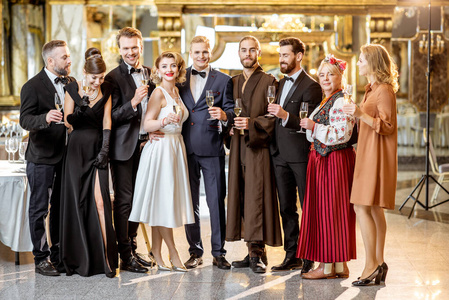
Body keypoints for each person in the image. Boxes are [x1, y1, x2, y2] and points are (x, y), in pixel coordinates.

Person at [129, 51, 194, 272]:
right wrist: (163, 120)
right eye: (164, 66)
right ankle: (173, 253)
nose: (169, 69)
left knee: (162, 203)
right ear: (157, 70)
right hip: (161, 150)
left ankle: (156, 251)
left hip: (176, 147)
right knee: (164, 202)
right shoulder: (158, 93)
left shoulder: (176, 91)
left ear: (178, 69)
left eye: (173, 65)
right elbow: (146, 125)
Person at [297, 54, 357, 279]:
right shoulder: (329, 99)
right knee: (333, 211)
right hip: (323, 160)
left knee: (329, 211)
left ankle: (327, 266)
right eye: (321, 75)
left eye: (330, 74)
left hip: (332, 161)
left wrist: (313, 126)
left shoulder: (342, 100)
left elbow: (342, 134)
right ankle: (340, 265)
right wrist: (313, 129)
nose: (324, 78)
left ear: (340, 76)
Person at [343, 44, 398, 286]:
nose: (358, 64)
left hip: (376, 155)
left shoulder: (384, 91)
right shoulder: (371, 89)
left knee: (362, 206)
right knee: (373, 208)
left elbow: (388, 126)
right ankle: (378, 263)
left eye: (361, 60)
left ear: (373, 63)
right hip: (367, 151)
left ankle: (372, 264)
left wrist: (359, 114)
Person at [59, 48, 117, 278]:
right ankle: (79, 257)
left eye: (101, 77)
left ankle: (107, 260)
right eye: (94, 77)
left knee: (101, 202)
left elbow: (107, 120)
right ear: (85, 72)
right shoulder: (72, 89)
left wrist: (105, 149)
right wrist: (81, 104)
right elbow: (68, 121)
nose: (98, 81)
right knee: (77, 203)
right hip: (76, 151)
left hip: (97, 149)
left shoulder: (107, 90)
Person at [226, 36, 282, 274]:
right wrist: (228, 123)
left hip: (258, 147)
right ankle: (251, 250)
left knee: (256, 196)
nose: (247, 54)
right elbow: (228, 111)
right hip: (238, 145)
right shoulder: (234, 81)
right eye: (243, 50)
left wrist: (251, 123)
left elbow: (273, 118)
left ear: (258, 53)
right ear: (238, 53)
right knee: (241, 194)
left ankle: (257, 253)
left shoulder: (271, 81)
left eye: (252, 50)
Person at [178, 36, 234, 270]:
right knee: (190, 203)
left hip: (212, 147)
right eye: (197, 52)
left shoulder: (223, 80)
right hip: (185, 149)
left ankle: (219, 252)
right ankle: (195, 251)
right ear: (190, 53)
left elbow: (230, 109)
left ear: (211, 52)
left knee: (215, 201)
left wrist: (224, 115)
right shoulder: (179, 79)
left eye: (205, 52)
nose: (201, 56)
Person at [267, 37, 322, 273]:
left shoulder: (312, 86)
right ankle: (292, 255)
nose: (281, 59)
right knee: (286, 208)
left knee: (307, 207)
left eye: (286, 55)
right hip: (279, 155)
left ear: (299, 56)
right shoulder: (279, 83)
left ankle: (309, 256)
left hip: (300, 155)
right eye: (280, 55)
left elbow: (307, 122)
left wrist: (282, 115)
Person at [19, 40, 73, 276]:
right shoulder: (31, 86)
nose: (69, 61)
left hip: (66, 156)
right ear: (50, 61)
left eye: (69, 56)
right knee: (39, 209)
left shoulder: (71, 83)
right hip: (41, 157)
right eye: (64, 57)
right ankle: (41, 258)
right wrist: (45, 118)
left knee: (60, 208)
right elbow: (24, 120)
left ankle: (58, 255)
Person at [105, 27, 155, 273]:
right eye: (125, 48)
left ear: (141, 47)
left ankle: (133, 249)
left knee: (139, 200)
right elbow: (111, 117)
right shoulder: (112, 78)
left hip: (148, 145)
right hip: (123, 148)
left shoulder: (149, 73)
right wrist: (133, 102)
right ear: (120, 50)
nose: (131, 52)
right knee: (124, 201)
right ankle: (124, 255)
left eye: (134, 47)